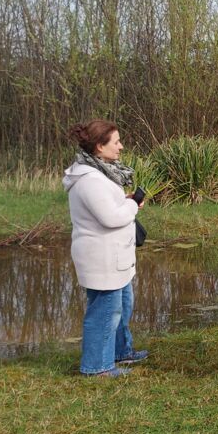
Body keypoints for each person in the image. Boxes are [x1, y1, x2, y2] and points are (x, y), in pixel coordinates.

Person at [62, 119, 148, 377]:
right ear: (99, 146)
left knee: (122, 303)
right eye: (116, 142)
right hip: (102, 257)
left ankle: (121, 351)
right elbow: (110, 218)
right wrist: (132, 206)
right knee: (104, 312)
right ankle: (97, 367)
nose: (121, 146)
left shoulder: (99, 172)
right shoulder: (90, 179)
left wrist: (125, 201)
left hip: (115, 257)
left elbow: (106, 208)